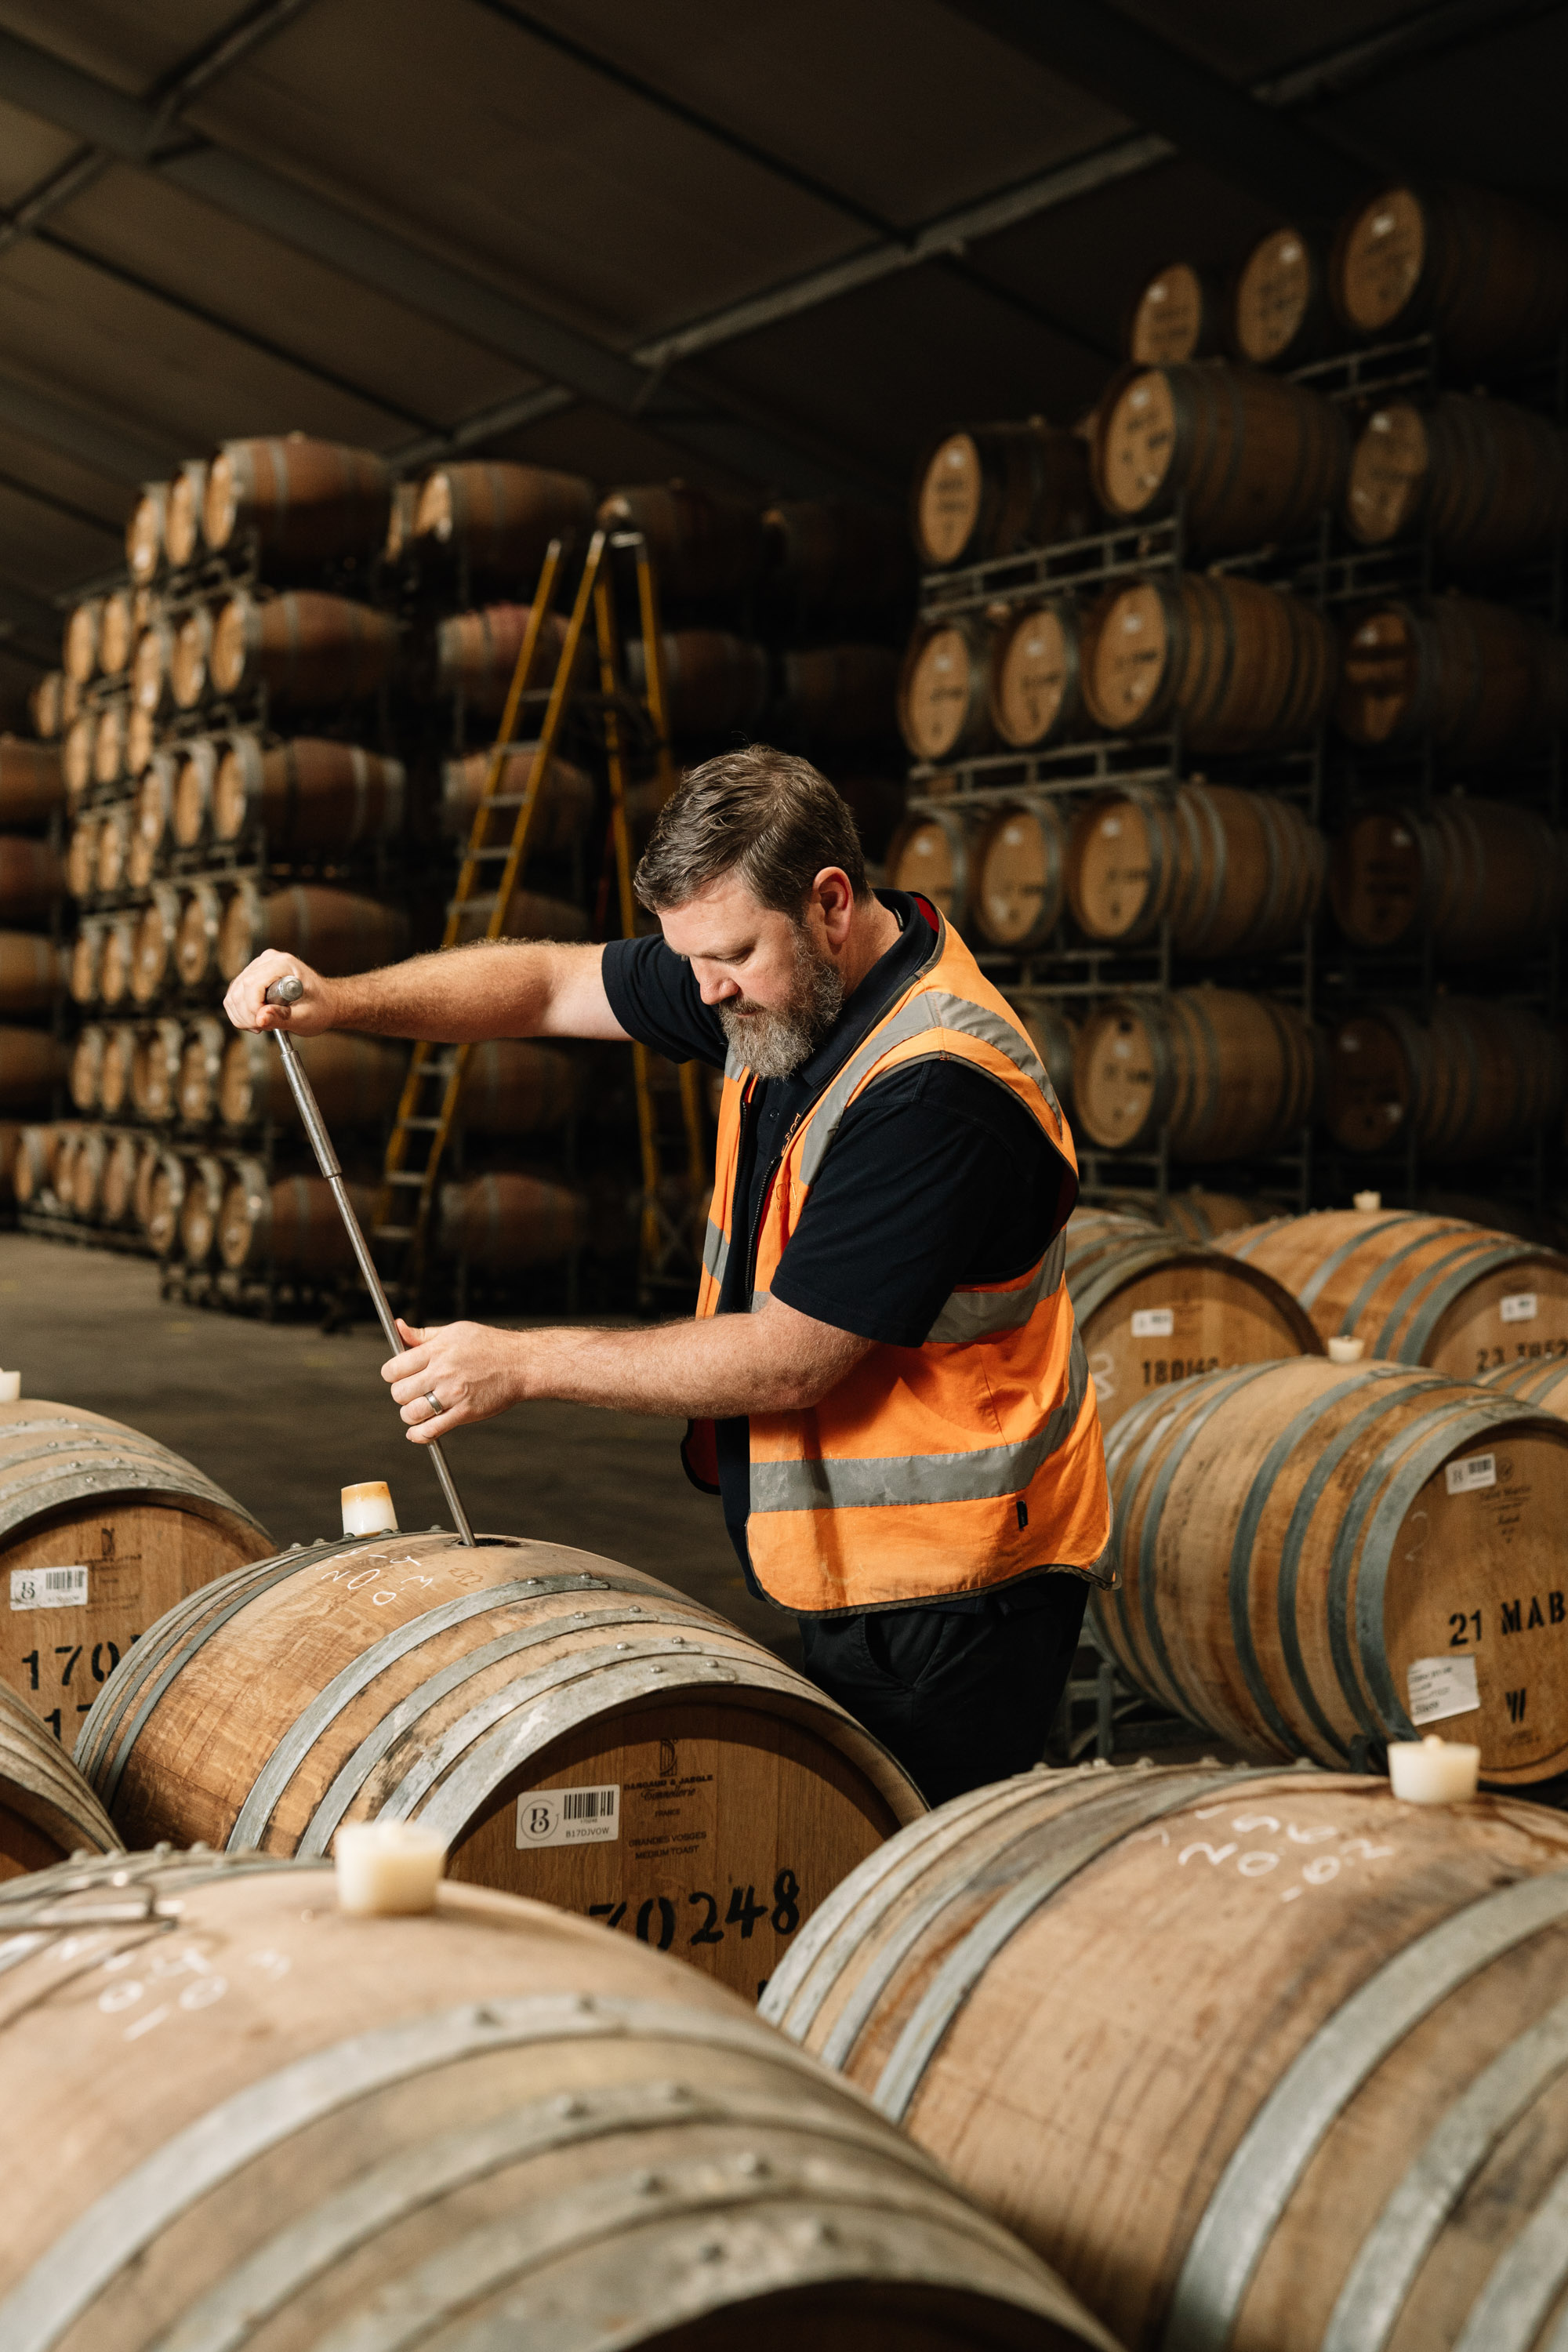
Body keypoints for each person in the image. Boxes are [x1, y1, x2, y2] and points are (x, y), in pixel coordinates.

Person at [223, 746, 1111, 1804]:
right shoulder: (772, 982)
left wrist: (521, 1363)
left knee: (908, 1893)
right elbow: (549, 984)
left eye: (727, 956)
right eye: (687, 958)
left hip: (961, 1589)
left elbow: (789, 1362)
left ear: (830, 902)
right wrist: (337, 1001)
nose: (703, 990)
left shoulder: (935, 1092)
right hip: (857, 1560)